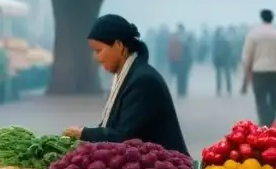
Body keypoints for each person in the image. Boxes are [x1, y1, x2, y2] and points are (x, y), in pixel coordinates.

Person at [63, 14, 189, 155]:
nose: (97, 58)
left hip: (168, 168)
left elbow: (124, 137)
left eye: (99, 50)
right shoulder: (129, 76)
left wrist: (84, 133)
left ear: (119, 46)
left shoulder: (143, 81)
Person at [241, 9, 276, 127]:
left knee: (260, 98)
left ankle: (264, 121)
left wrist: (246, 75)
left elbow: (247, 56)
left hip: (258, 70)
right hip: (275, 70)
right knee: (274, 98)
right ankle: (271, 120)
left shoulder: (253, 33)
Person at [168, 23, 191, 99]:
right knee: (181, 77)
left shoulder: (176, 37)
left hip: (181, 60)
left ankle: (182, 92)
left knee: (182, 77)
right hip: (180, 60)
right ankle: (182, 92)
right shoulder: (182, 38)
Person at [212, 27, 234, 96]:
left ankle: (223, 89)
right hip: (223, 60)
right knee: (224, 75)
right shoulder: (224, 40)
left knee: (222, 76)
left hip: (223, 60)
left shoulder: (217, 41)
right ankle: (226, 89)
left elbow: (214, 51)